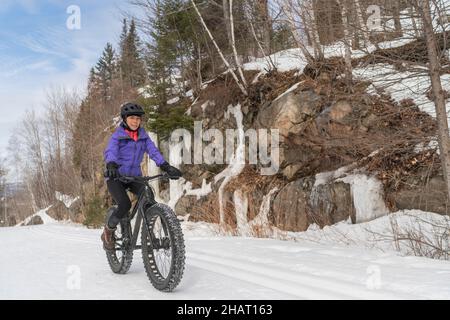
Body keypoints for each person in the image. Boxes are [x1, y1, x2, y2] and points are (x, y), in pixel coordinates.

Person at [101, 102, 182, 250]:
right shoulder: (117, 137)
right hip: (116, 177)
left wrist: (165, 166)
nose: (135, 121)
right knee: (124, 205)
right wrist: (111, 164)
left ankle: (150, 234)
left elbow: (153, 152)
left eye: (138, 118)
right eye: (132, 118)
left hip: (134, 177)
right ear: (125, 119)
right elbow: (110, 151)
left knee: (148, 196)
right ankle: (108, 231)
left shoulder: (143, 137)